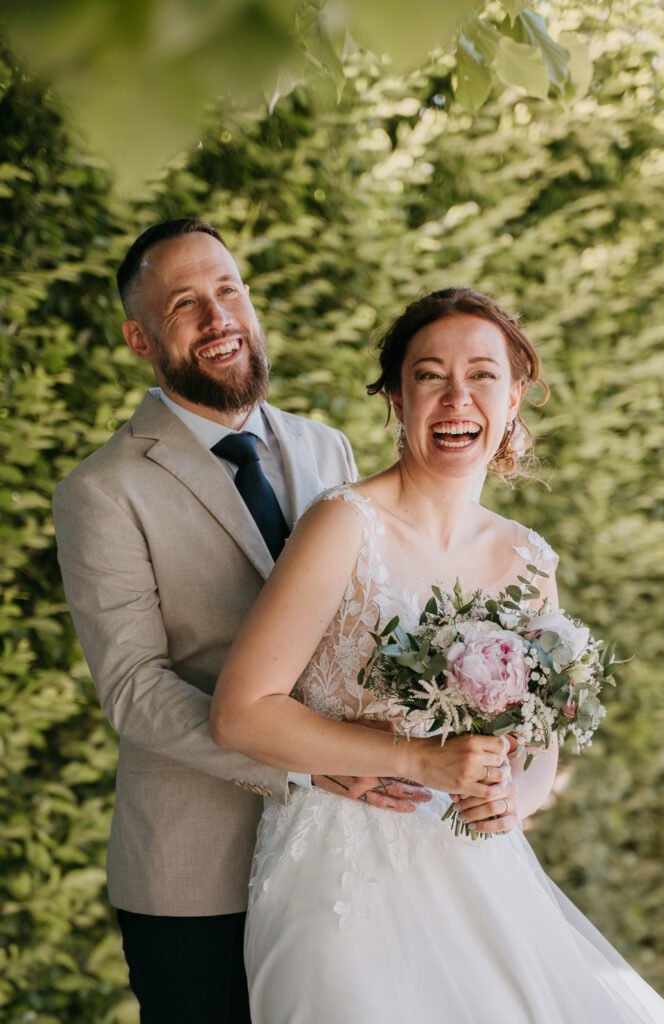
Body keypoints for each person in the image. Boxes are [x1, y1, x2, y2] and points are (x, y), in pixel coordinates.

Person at [211, 288, 664, 1023]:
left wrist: (511, 799)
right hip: (340, 877)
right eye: (429, 376)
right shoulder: (344, 523)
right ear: (398, 400)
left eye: (482, 375)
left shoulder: (529, 560)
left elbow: (538, 748)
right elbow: (241, 713)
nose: (456, 397)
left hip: (478, 868)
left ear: (514, 395)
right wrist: (416, 761)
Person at [52, 219, 434, 1024]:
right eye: (184, 304)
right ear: (139, 339)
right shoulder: (101, 490)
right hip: (197, 875)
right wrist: (303, 762)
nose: (218, 317)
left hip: (342, 853)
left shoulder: (327, 448)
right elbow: (134, 688)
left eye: (228, 290)